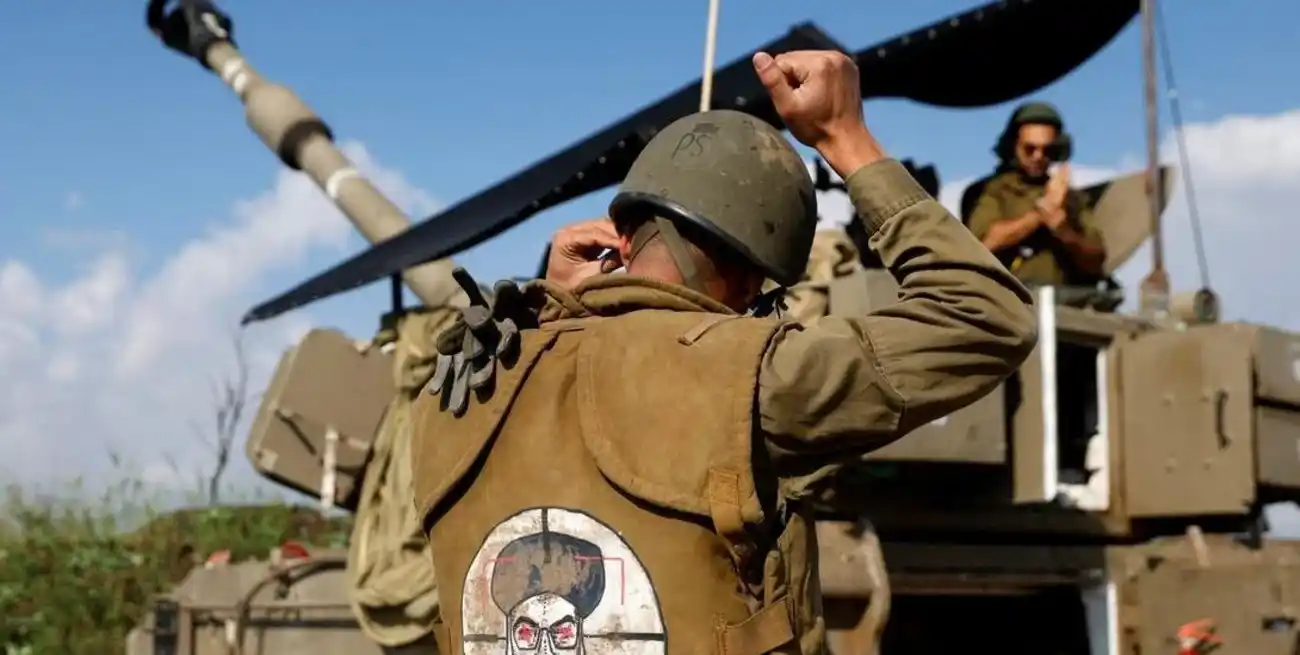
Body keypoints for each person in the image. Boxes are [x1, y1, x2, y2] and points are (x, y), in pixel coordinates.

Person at [410, 49, 1037, 654]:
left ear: (624, 238)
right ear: (754, 280)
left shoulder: (455, 391)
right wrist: (846, 138)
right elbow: (985, 316)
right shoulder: (757, 375)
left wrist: (554, 314)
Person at [966, 102, 1107, 287]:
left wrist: (1064, 230)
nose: (1038, 157)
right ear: (1014, 146)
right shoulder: (994, 190)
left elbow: (1096, 259)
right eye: (1029, 149)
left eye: (1047, 150)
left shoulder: (1071, 198)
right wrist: (1040, 215)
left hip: (1062, 305)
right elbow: (981, 244)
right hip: (1007, 301)